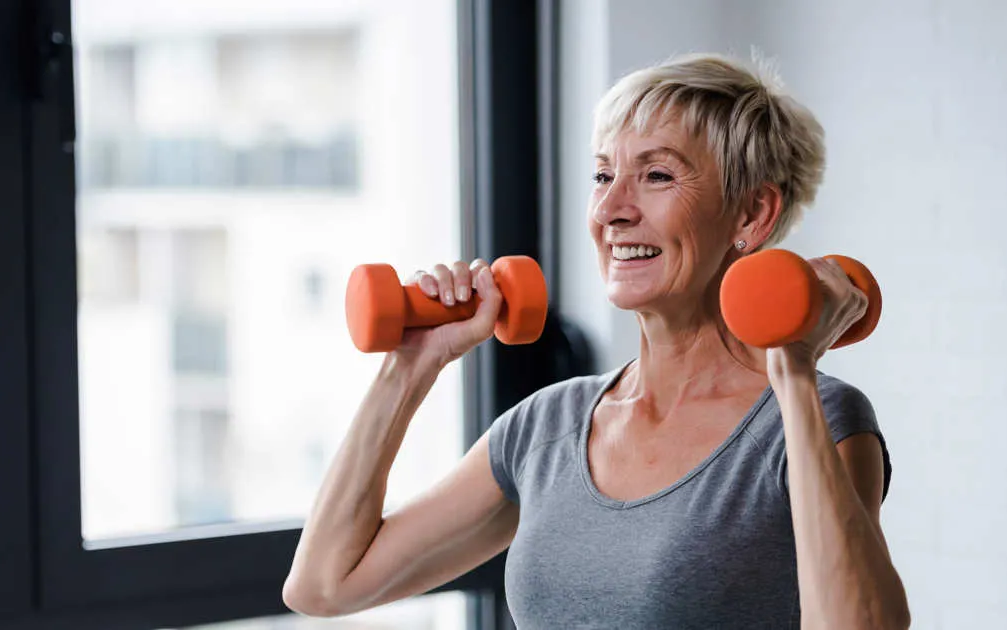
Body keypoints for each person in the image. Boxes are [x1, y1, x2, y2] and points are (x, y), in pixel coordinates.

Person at [282, 53, 909, 629]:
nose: (612, 208)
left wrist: (794, 373)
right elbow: (323, 586)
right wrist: (409, 368)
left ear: (751, 216)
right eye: (603, 174)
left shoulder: (816, 419)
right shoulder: (545, 428)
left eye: (657, 175)